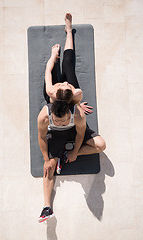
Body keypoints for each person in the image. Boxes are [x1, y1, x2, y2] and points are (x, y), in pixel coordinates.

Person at [38, 13, 106, 223]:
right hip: (60, 105)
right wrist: (46, 159)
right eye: (57, 121)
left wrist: (75, 152)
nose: (65, 83)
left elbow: (79, 134)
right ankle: (47, 207)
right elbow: (41, 138)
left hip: (73, 107)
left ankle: (69, 31)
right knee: (48, 167)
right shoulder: (49, 98)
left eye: (68, 84)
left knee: (68, 64)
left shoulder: (75, 101)